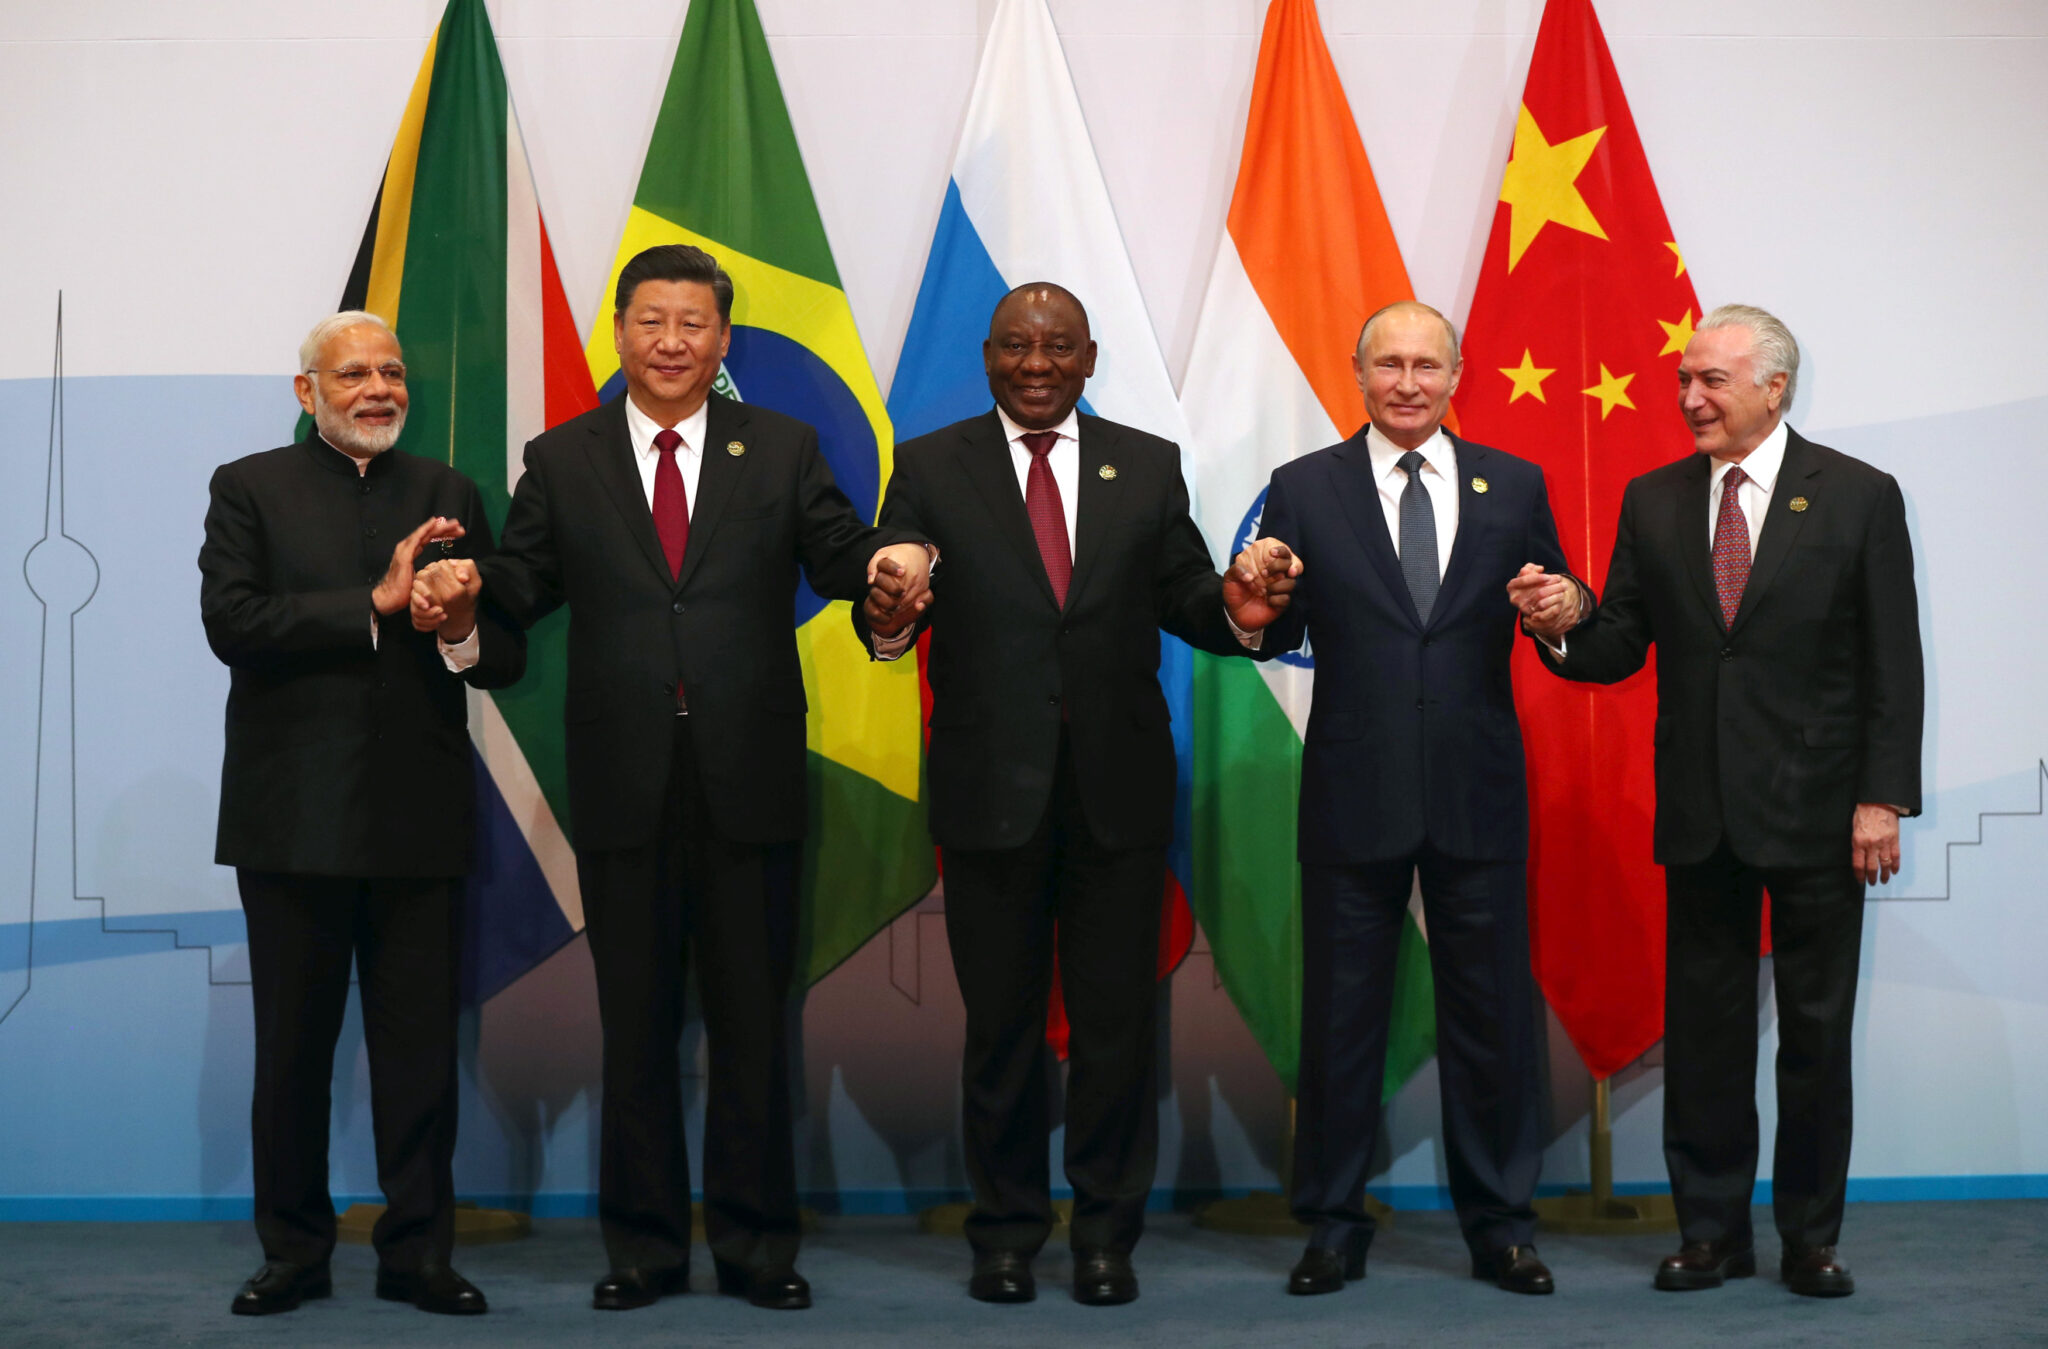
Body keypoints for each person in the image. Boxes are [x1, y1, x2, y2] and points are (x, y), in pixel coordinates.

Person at [444, 244, 930, 1313]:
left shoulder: (782, 446)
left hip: (750, 776)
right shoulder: (561, 457)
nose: (671, 341)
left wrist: (886, 575)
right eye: (652, 321)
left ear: (721, 339)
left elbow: (839, 554)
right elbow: (521, 585)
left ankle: (757, 1248)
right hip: (621, 781)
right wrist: (467, 603)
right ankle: (644, 1251)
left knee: (755, 1026)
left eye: (693, 323)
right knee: (636, 1027)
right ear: (620, 332)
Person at [854, 282, 1295, 1307]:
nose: (1037, 364)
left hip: (1117, 794)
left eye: (1058, 347)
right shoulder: (929, 465)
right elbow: (892, 598)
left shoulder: (1145, 463)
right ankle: (1005, 1237)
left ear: (1089, 359)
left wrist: (1240, 607)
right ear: (988, 356)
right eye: (1017, 345)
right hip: (988, 795)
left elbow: (1186, 595)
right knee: (999, 1033)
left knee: (1115, 1032)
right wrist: (889, 611)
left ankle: (1105, 1238)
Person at [1517, 304, 1922, 1299]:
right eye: (1683, 380)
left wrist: (1881, 797)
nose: (1690, 398)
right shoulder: (1653, 498)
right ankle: (1709, 1232)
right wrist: (1560, 621)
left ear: (1774, 387)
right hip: (1701, 809)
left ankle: (1809, 1238)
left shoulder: (1858, 494)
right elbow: (1618, 643)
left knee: (1815, 1038)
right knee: (1703, 1037)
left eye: (1712, 380)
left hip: (1821, 812)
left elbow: (1893, 660)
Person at [1248, 300, 1588, 1298]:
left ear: (1456, 374)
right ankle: (1331, 1225)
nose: (1406, 383)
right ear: (1357, 373)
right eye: (1388, 364)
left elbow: (1556, 608)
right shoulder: (1302, 486)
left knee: (1493, 1022)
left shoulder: (1513, 484)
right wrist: (1255, 605)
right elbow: (1274, 627)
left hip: (1477, 790)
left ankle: (1501, 1227)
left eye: (1425, 365)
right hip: (1352, 790)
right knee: (1340, 1021)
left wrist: (1563, 610)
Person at [199, 311, 524, 1317]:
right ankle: (293, 1252)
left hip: (418, 818)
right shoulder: (249, 486)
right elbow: (233, 623)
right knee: (293, 1057)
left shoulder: (447, 491)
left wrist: (459, 623)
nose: (379, 388)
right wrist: (375, 604)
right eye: (354, 374)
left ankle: (417, 1253)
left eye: (393, 371)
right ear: (308, 392)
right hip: (292, 820)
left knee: (419, 1057)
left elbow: (503, 656)